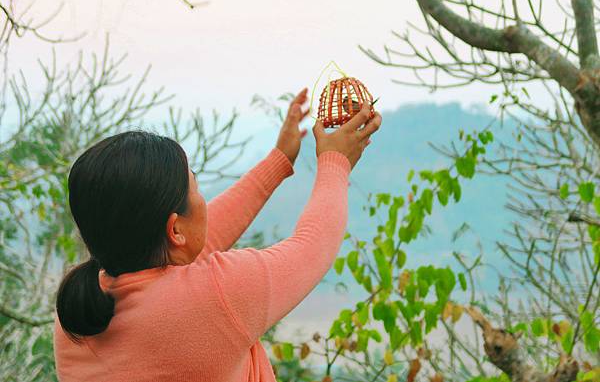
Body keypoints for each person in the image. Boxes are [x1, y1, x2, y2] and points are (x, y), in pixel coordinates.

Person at [53, 88, 382, 381]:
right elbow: (312, 247)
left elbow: (191, 248)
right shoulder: (215, 298)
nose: (204, 203)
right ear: (174, 229)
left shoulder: (76, 315)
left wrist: (278, 161)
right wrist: (336, 161)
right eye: (194, 185)